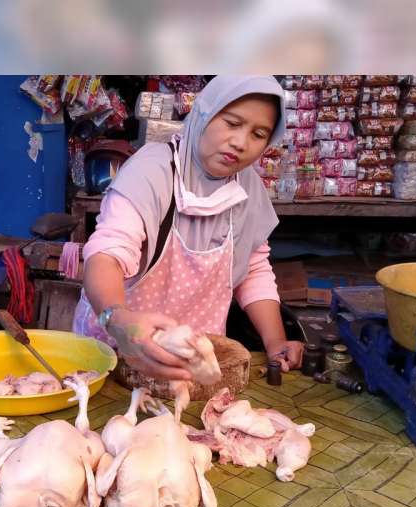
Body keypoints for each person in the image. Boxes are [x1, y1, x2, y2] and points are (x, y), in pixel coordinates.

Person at [73, 75, 303, 381]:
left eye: (258, 134)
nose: (241, 142)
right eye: (232, 123)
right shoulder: (152, 171)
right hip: (115, 358)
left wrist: (274, 341)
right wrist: (119, 320)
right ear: (203, 113)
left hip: (192, 366)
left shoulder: (247, 188)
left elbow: (252, 269)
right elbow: (106, 255)